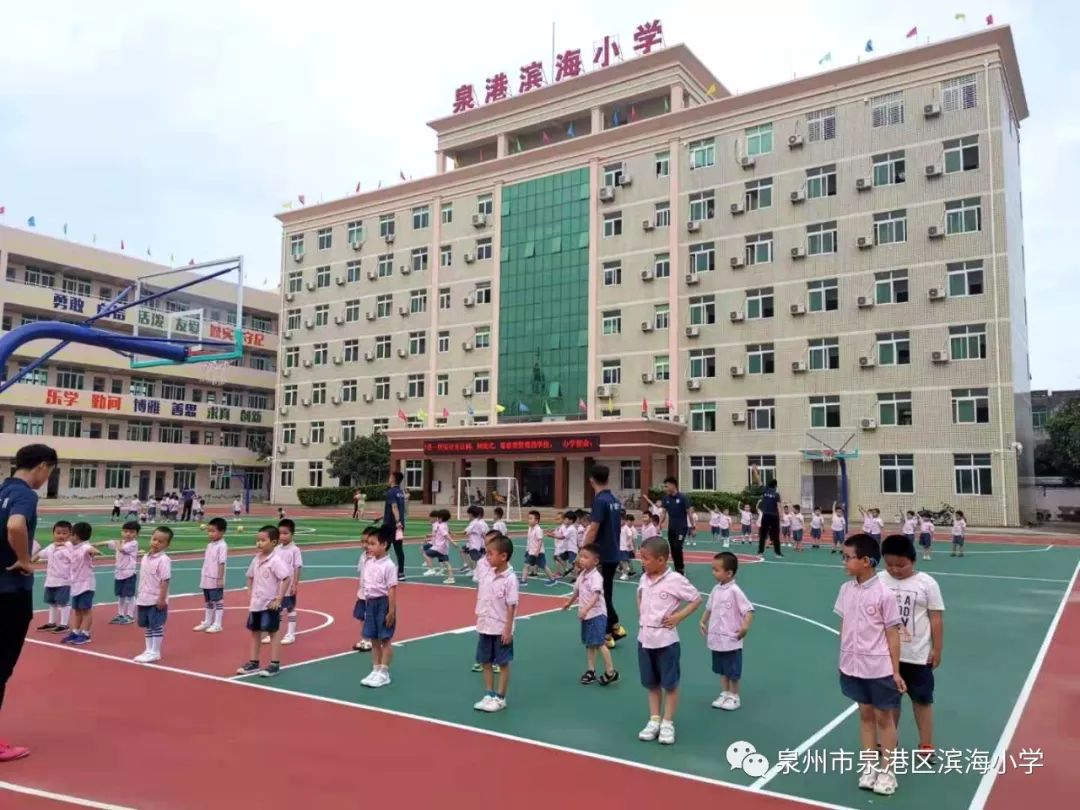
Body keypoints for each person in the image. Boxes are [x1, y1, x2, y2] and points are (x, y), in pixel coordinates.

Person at [835, 533, 906, 796]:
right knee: (865, 715)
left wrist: (896, 670)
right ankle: (869, 766)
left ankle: (888, 771)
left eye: (847, 557)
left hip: (878, 668)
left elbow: (892, 633)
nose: (843, 562)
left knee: (883, 718)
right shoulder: (845, 590)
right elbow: (844, 625)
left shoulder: (884, 594)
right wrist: (842, 658)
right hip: (852, 665)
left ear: (866, 561)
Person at [0, 443, 58, 761]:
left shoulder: (2, 489)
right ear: (43, 467)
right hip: (10, 592)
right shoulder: (24, 494)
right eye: (49, 472)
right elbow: (15, 525)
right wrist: (24, 559)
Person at [879, 535, 945, 756]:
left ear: (913, 560)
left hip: (917, 655)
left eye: (901, 565)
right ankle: (890, 740)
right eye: (889, 565)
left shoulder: (927, 583)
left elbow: (935, 618)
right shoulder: (878, 581)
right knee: (890, 702)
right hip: (886, 655)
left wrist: (937, 649)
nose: (895, 570)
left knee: (922, 700)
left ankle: (926, 744)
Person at [635, 537, 702, 745]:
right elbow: (639, 595)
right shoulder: (644, 578)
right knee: (651, 683)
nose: (642, 562)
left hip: (666, 641)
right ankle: (654, 719)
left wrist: (678, 617)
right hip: (644, 639)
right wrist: (642, 615)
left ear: (662, 560)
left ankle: (667, 722)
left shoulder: (675, 580)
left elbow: (696, 598)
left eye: (645, 558)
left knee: (669, 684)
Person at [700, 551, 754, 710]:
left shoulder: (735, 591)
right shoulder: (716, 589)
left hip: (731, 639)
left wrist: (745, 626)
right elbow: (709, 607)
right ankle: (724, 693)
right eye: (712, 569)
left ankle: (734, 696)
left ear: (729, 573)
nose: (713, 573)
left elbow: (749, 611)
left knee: (732, 670)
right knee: (722, 669)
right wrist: (702, 621)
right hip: (717, 638)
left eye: (716, 570)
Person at [581, 465, 627, 648]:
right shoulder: (613, 499)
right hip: (613, 552)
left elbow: (594, 528)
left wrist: (584, 551)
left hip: (603, 554)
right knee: (606, 591)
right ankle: (615, 626)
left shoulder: (600, 500)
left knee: (600, 594)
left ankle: (608, 633)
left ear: (591, 480)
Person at [237, 526, 291, 678]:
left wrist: (278, 598)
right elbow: (250, 575)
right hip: (256, 603)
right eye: (257, 540)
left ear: (273, 542)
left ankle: (274, 664)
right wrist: (249, 589)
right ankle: (254, 662)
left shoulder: (275, 561)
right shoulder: (256, 558)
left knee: (273, 633)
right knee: (255, 632)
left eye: (262, 540)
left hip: (269, 604)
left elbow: (286, 578)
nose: (259, 543)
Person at [472, 535, 518, 713]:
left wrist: (508, 629)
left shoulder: (510, 579)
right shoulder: (487, 572)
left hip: (500, 628)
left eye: (490, 553)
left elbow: (511, 605)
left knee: (503, 663)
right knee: (485, 661)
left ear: (504, 556)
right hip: (485, 625)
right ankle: (489, 693)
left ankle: (500, 697)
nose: (487, 557)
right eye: (486, 553)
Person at [562, 543, 619, 685]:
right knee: (590, 644)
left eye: (585, 557)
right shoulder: (582, 575)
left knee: (599, 643)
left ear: (595, 561)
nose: (581, 559)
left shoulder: (596, 577)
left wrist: (586, 609)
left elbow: (595, 596)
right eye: (581, 556)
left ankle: (610, 671)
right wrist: (569, 603)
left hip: (597, 614)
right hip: (587, 615)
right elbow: (577, 591)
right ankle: (591, 671)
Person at [359, 530, 398, 688]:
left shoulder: (389, 566)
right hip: (370, 602)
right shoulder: (369, 562)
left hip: (383, 603)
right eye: (368, 544)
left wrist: (391, 611)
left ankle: (384, 671)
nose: (369, 547)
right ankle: (375, 669)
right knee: (373, 639)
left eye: (373, 544)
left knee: (385, 639)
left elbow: (392, 589)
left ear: (384, 545)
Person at [134, 527, 173, 664]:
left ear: (167, 545)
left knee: (156, 625)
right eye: (154, 539)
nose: (156, 543)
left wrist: (161, 598)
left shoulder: (164, 560)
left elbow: (165, 580)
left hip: (155, 598)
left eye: (161, 541)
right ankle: (148, 649)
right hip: (143, 598)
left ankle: (155, 651)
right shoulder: (145, 556)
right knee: (147, 625)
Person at [63, 522, 100, 645]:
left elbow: (93, 550)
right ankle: (75, 632)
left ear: (76, 536)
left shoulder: (84, 547)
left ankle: (86, 634)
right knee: (77, 610)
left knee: (85, 610)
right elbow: (63, 543)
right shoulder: (72, 545)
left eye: (71, 534)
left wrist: (94, 552)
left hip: (86, 585)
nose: (69, 537)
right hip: (76, 584)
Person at [33, 521, 73, 633]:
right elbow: (40, 554)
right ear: (53, 533)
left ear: (70, 535)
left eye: (64, 533)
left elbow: (76, 560)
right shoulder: (51, 546)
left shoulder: (70, 548)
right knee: (51, 602)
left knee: (63, 602)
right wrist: (28, 563)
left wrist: (67, 546)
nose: (61, 535)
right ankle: (52, 623)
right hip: (50, 580)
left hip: (63, 581)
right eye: (58, 533)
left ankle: (64, 625)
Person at [99, 521, 140, 625]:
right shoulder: (121, 542)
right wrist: (89, 545)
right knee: (121, 595)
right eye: (125, 531)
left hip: (129, 573)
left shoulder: (133, 543)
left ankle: (130, 615)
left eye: (131, 532)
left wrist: (116, 542)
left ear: (136, 534)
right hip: (119, 573)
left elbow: (121, 549)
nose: (128, 534)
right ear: (122, 532)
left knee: (130, 595)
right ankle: (121, 614)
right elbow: (105, 543)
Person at [195, 518, 228, 633]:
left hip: (215, 578)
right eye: (209, 531)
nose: (210, 534)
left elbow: (221, 562)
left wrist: (220, 578)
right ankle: (207, 621)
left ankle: (218, 624)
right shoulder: (210, 545)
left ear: (222, 532)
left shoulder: (222, 546)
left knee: (218, 600)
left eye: (213, 531)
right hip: (206, 577)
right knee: (208, 600)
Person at [275, 519, 303, 645]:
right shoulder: (276, 549)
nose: (282, 536)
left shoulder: (295, 550)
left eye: (285, 533)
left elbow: (297, 567)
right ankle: (275, 633)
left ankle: (290, 634)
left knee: (290, 608)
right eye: (280, 533)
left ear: (292, 534)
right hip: (277, 585)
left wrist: (295, 584)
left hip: (288, 585)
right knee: (277, 608)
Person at [352, 526, 379, 652]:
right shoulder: (363, 556)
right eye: (362, 542)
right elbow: (361, 573)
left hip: (373, 594)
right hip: (363, 593)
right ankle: (365, 638)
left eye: (367, 543)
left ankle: (371, 640)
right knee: (361, 616)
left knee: (371, 617)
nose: (364, 545)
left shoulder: (377, 559)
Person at [656, 477, 691, 574]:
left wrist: (693, 527)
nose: (665, 488)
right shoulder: (666, 498)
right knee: (672, 548)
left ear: (673, 485)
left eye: (666, 486)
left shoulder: (683, 498)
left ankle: (680, 568)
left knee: (677, 546)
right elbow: (663, 513)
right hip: (671, 528)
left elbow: (689, 513)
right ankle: (677, 568)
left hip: (682, 527)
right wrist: (659, 524)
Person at [381, 471, 407, 580]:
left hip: (391, 524)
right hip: (399, 525)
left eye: (390, 476)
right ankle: (401, 572)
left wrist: (396, 521)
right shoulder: (401, 492)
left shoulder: (391, 492)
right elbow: (399, 508)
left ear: (393, 478)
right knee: (398, 549)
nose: (388, 478)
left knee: (382, 546)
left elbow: (394, 507)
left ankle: (380, 570)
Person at [521, 510, 557, 586]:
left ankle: (552, 579)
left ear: (536, 520)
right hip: (530, 551)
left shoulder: (538, 529)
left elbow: (540, 541)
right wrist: (527, 550)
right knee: (526, 565)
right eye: (529, 518)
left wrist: (537, 551)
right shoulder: (530, 528)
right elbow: (529, 540)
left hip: (538, 552)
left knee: (543, 566)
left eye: (531, 518)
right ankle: (523, 580)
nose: (529, 520)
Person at [756, 478, 783, 557]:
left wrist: (755, 471)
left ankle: (760, 552)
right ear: (775, 486)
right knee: (775, 535)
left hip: (766, 515)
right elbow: (778, 506)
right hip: (774, 516)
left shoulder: (765, 490)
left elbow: (759, 481)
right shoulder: (776, 494)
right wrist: (781, 516)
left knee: (763, 535)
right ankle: (777, 553)